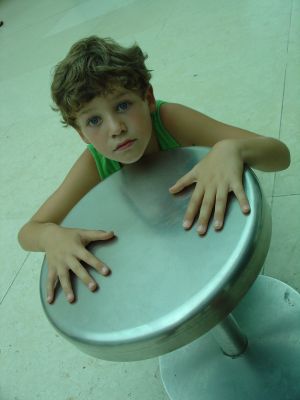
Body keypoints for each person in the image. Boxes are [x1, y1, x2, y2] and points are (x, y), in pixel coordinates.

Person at [18, 36, 290, 305]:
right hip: (164, 250)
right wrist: (50, 236)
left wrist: (233, 149)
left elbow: (279, 155)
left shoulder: (171, 121)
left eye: (123, 105)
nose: (115, 128)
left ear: (148, 98)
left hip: (217, 230)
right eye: (94, 120)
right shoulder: (94, 164)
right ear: (81, 134)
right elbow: (29, 231)